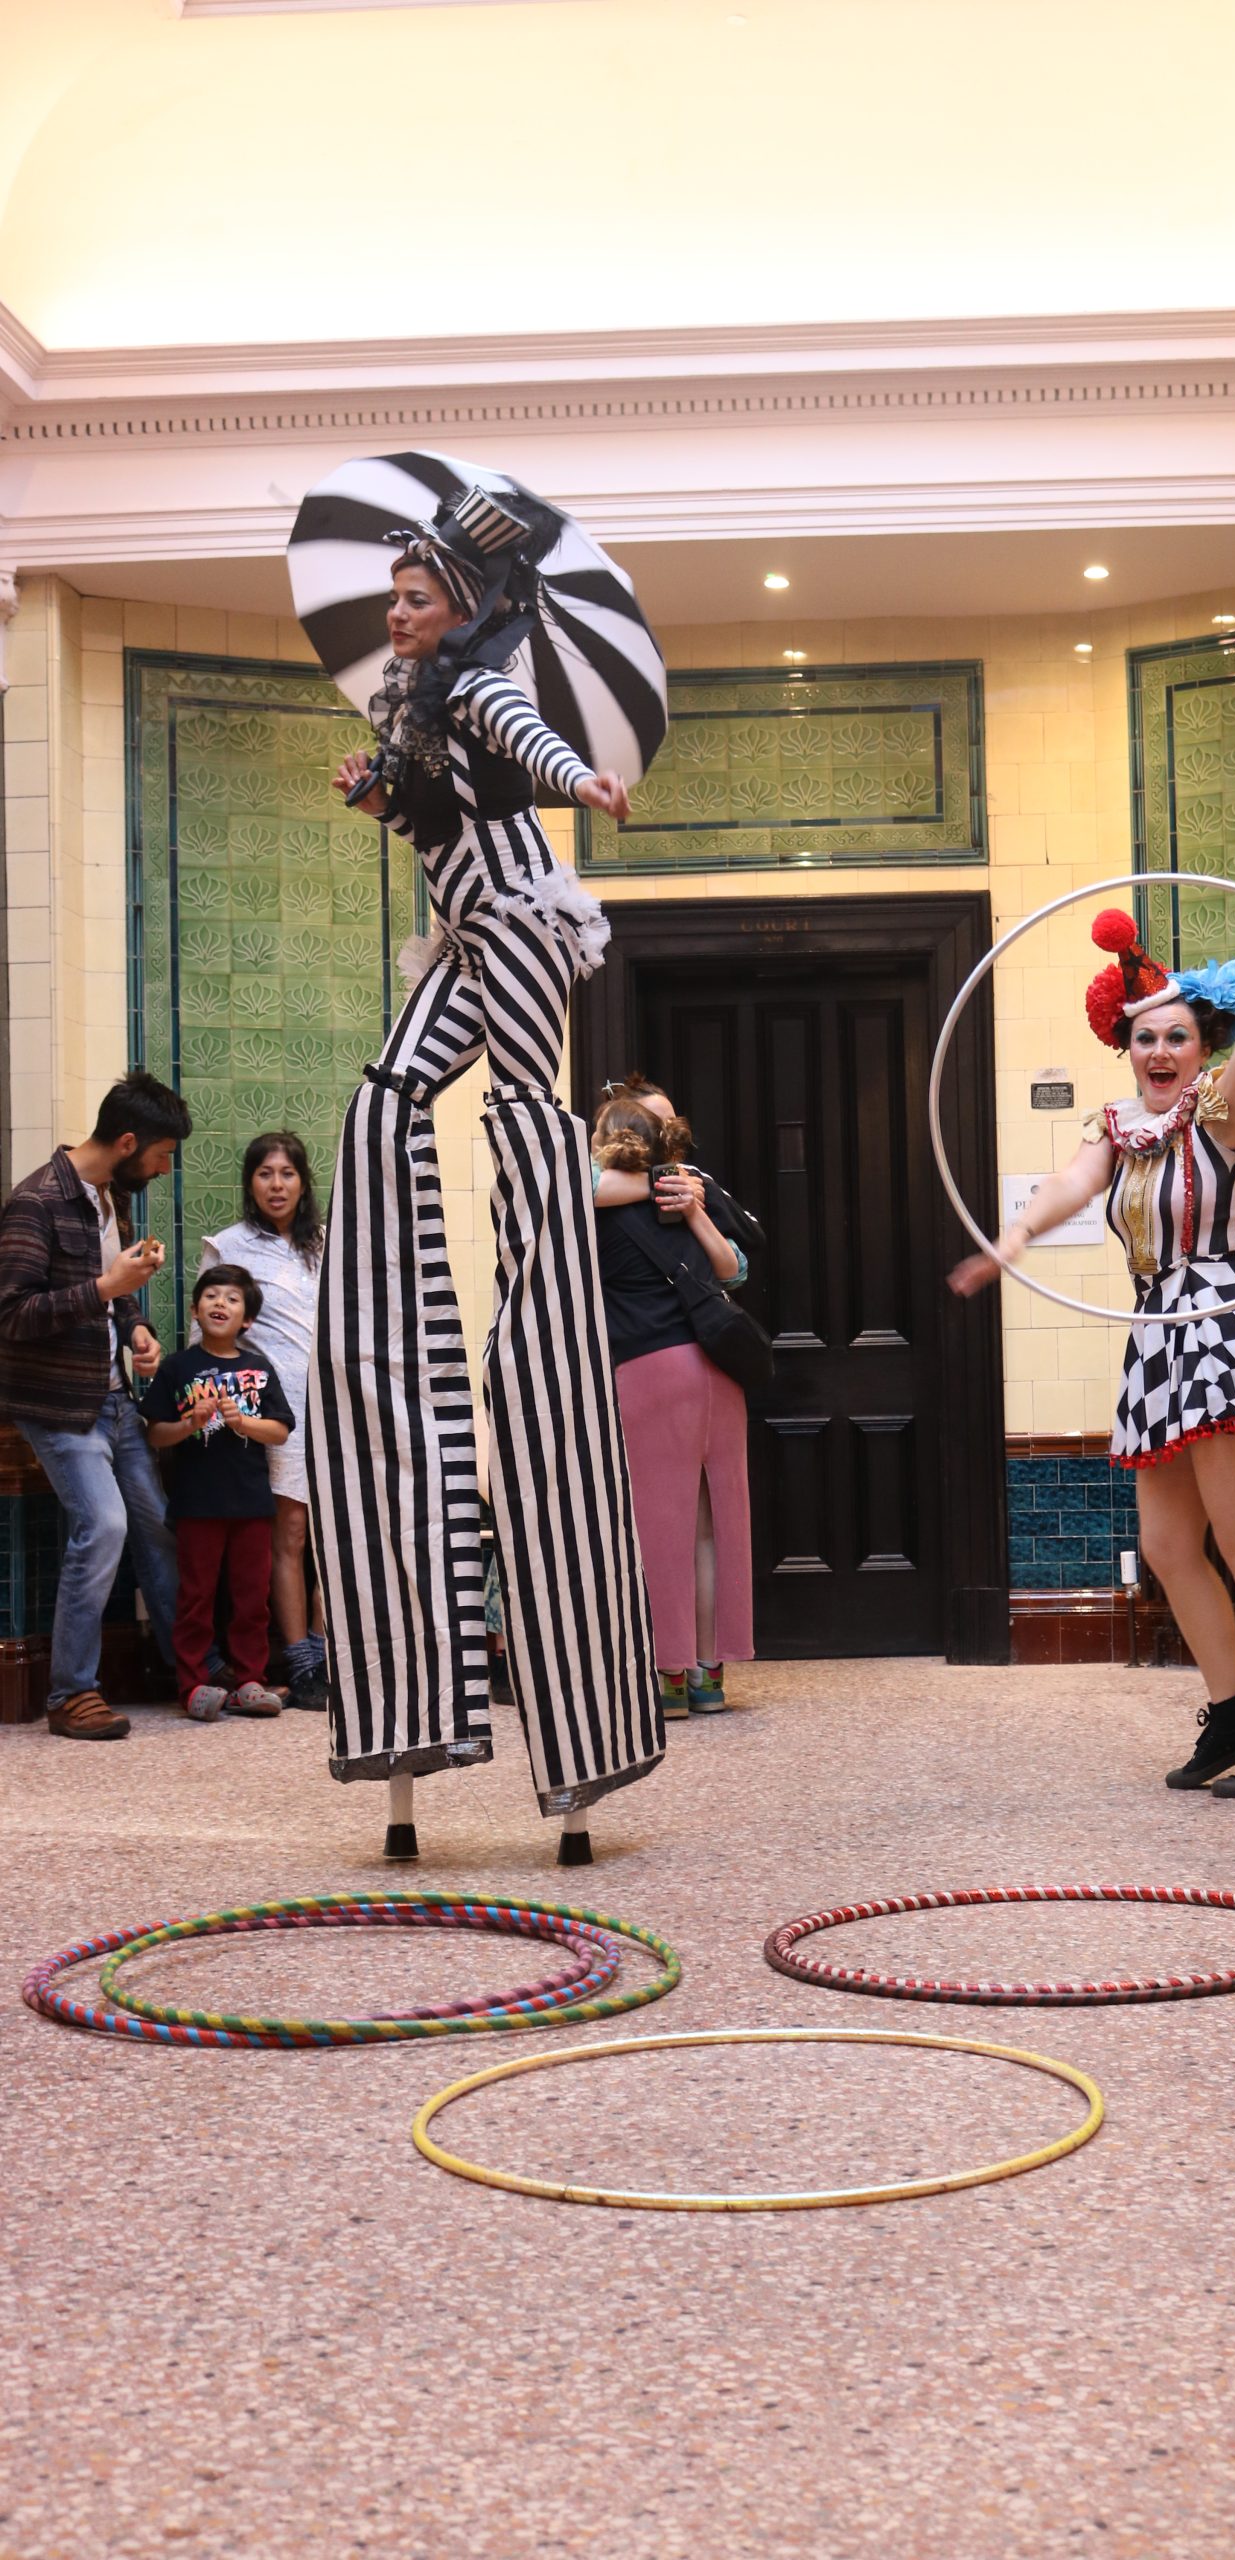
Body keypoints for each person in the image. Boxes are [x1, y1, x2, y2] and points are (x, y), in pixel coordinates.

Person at [313, 484, 658, 1847]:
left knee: (523, 1127)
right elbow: (434, 792)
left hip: (517, 931)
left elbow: (521, 734)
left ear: (463, 607)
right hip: (465, 945)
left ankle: (536, 1327)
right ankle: (405, 1340)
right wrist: (375, 788)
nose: (394, 614)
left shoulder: (475, 691)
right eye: (390, 597)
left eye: (414, 597)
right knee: (384, 1101)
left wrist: (584, 780)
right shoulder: (411, 707)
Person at [952, 877, 1235, 1798]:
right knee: (1171, 1548)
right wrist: (1010, 1239)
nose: (1161, 1049)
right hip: (1154, 1334)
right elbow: (1067, 1183)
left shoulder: (1220, 1107)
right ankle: (1229, 1714)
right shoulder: (1119, 1130)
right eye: (1146, 1036)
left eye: (1178, 1034)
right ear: (1125, 1047)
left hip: (1221, 1324)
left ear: (1199, 1042)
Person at [0, 1073, 190, 1741]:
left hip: (113, 1398)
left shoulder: (111, 1199)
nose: (163, 1169)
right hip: (59, 1408)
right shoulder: (37, 1202)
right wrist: (106, 1286)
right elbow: (12, 1315)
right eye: (162, 1155)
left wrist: (135, 1323)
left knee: (157, 1527)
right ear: (129, 1141)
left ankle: (188, 1671)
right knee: (103, 1528)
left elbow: (114, 1294)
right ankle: (71, 1693)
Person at [589, 1090, 755, 1715]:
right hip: (719, 1368)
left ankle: (670, 1674)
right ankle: (713, 1673)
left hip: (652, 1367)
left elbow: (560, 1191)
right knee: (714, 1527)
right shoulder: (683, 1196)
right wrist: (686, 1196)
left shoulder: (598, 1210)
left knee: (661, 1524)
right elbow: (733, 1270)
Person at [198, 1132, 325, 1709]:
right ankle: (300, 1661)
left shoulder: (327, 1243)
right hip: (273, 1412)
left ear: (303, 1181)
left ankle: (330, 1652)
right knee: (291, 1534)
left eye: (288, 1174)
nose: (277, 1185)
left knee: (338, 1535)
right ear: (250, 1184)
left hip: (337, 1403)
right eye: (265, 1174)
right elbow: (213, 1338)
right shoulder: (226, 1248)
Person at [141, 1266, 294, 1722]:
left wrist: (241, 1423)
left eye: (231, 1298)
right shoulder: (177, 1368)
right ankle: (192, 1684)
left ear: (246, 1320)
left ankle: (250, 1680)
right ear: (195, 1310)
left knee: (251, 1598)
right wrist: (190, 1422)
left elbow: (281, 1430)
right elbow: (155, 1435)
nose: (220, 1304)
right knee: (196, 1598)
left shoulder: (259, 1368)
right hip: (197, 1506)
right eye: (210, 1296)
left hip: (250, 1505)